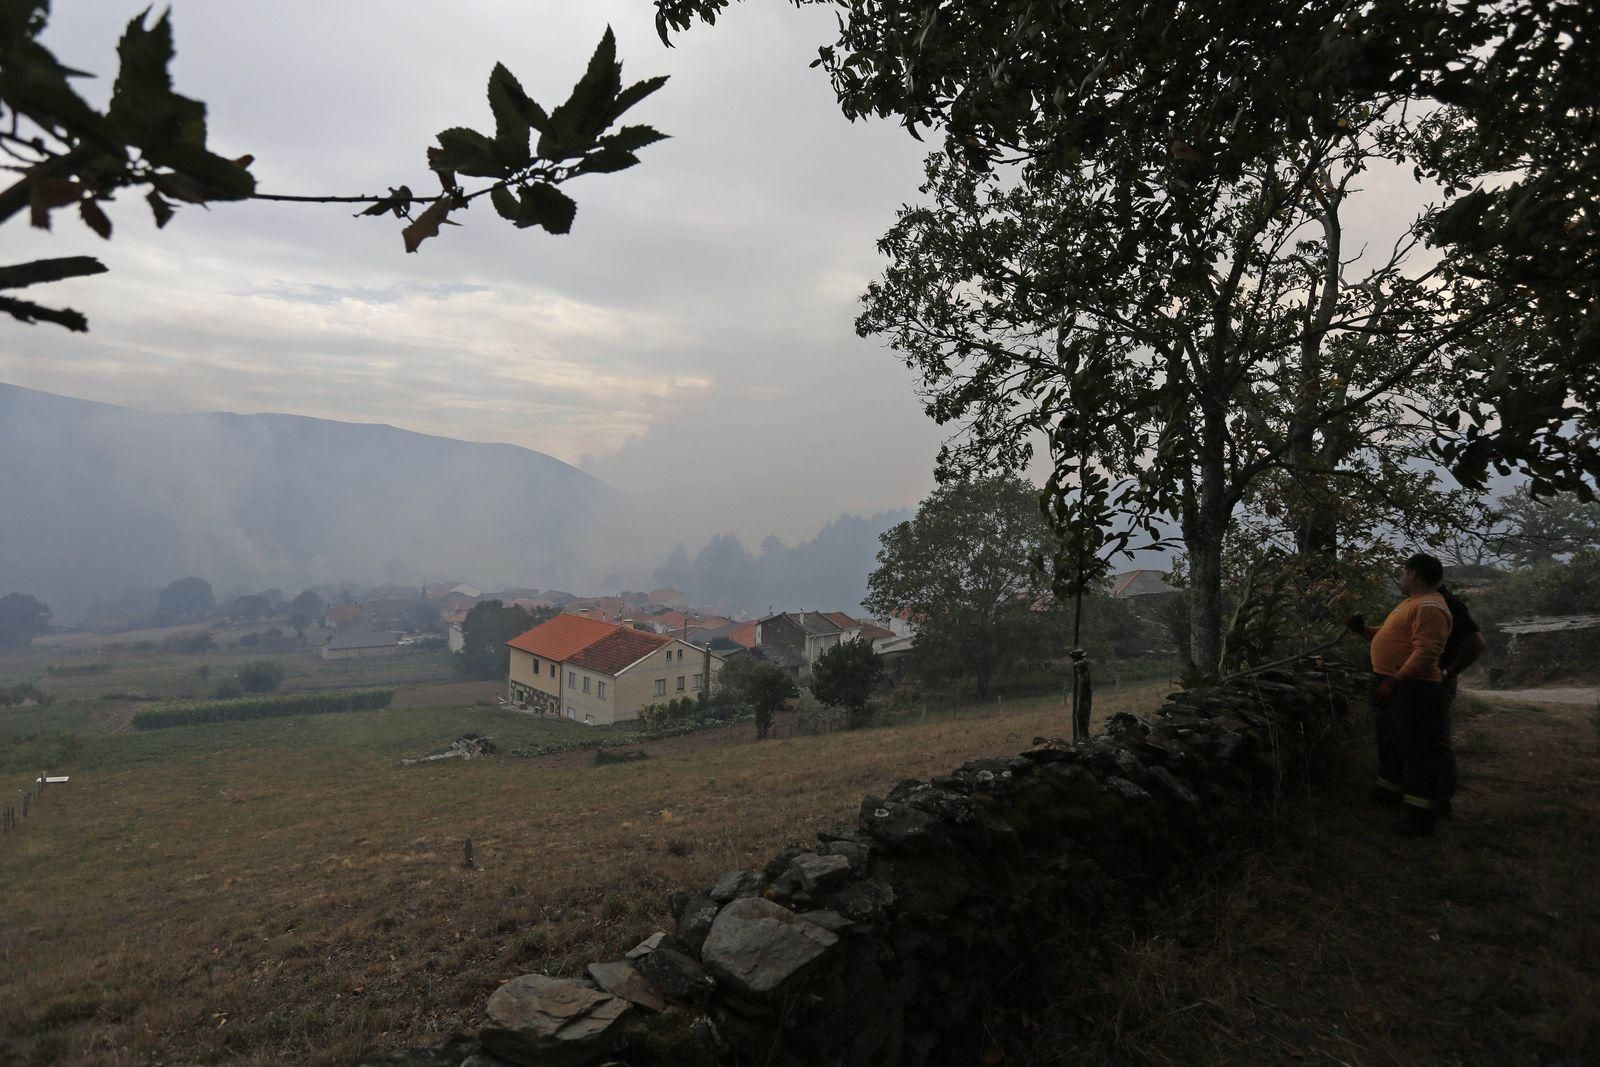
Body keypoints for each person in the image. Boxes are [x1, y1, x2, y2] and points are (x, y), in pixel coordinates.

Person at [1344, 552, 1455, 837]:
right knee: (1392, 741)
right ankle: (1389, 792)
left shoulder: (1429, 606)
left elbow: (1427, 651)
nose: (1401, 577)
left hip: (1413, 688)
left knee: (1417, 748)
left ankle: (1420, 816)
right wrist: (1364, 631)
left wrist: (1394, 681)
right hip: (1397, 684)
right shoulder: (1412, 603)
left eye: (1403, 573)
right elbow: (1392, 636)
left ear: (1414, 574)